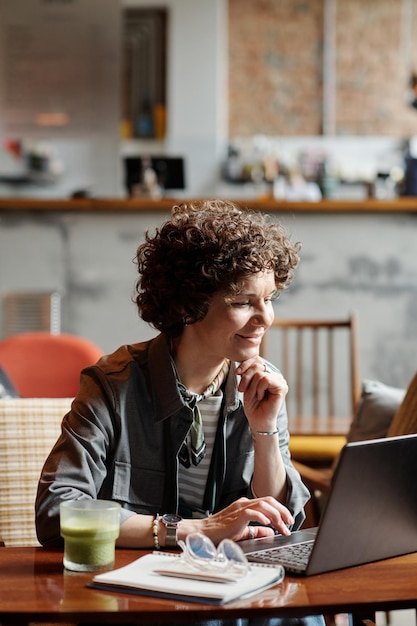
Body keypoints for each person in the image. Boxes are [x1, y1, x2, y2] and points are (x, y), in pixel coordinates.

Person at [36, 199, 323, 625]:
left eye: (270, 299)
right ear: (188, 305)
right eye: (243, 301)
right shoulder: (112, 385)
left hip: (230, 584)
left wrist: (263, 432)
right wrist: (193, 530)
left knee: (306, 615)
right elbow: (57, 511)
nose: (265, 317)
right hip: (134, 593)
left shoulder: (260, 386)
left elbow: (282, 517)